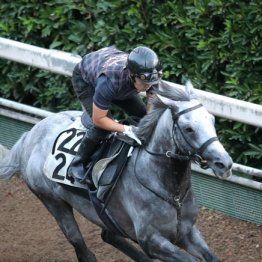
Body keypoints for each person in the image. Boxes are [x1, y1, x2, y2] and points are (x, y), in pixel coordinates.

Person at [67, 46, 163, 181]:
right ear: (132, 75)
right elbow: (99, 119)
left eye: (151, 82)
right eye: (144, 82)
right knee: (103, 128)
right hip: (86, 81)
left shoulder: (151, 74)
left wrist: (146, 123)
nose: (148, 86)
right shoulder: (109, 81)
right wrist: (127, 129)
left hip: (115, 75)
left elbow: (152, 102)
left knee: (143, 119)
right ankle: (77, 164)